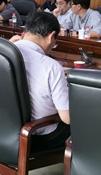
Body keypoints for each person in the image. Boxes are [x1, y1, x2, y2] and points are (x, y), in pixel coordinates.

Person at [13, 11, 70, 151]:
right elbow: (67, 118)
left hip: (5, 130)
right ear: (51, 36)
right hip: (35, 135)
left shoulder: (6, 52)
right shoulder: (51, 67)